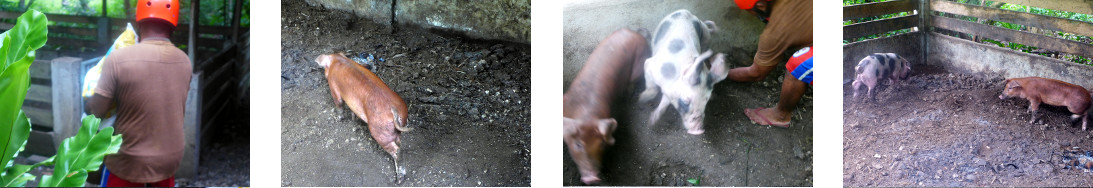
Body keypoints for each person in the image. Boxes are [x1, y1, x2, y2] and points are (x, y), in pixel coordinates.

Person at [87, 0, 191, 186]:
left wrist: (88, 101)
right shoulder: (185, 61)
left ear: (138, 21)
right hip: (170, 160)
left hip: (128, 161)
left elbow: (96, 112)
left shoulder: (119, 58)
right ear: (174, 23)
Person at [731, 0, 813, 127]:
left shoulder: (775, 33)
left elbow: (756, 74)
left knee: (799, 64)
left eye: (749, 11)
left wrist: (723, 73)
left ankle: (780, 116)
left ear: (761, 5)